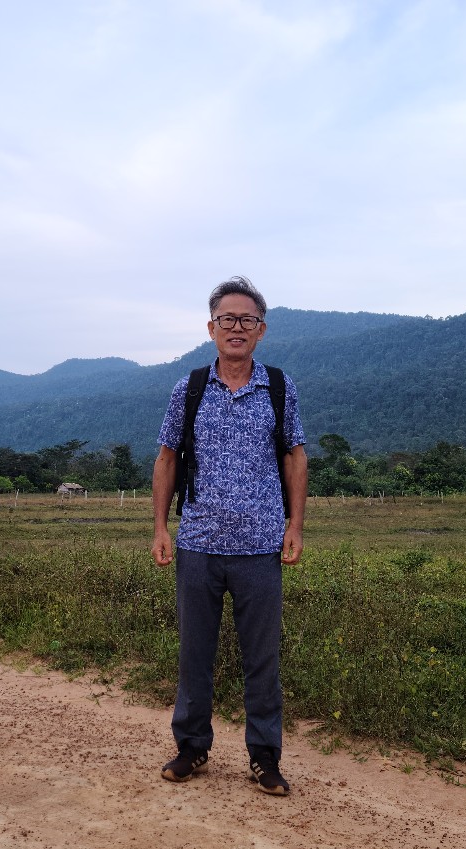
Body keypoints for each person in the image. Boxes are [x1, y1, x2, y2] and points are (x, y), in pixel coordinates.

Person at [150, 276, 307, 796]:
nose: (236, 328)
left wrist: (294, 526)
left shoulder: (279, 388)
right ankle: (192, 748)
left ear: (261, 330)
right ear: (211, 327)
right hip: (197, 544)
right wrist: (160, 528)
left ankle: (264, 756)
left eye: (247, 320)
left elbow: (295, 457)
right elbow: (167, 458)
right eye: (227, 319)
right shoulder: (189, 388)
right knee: (194, 654)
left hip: (260, 547)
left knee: (262, 659)